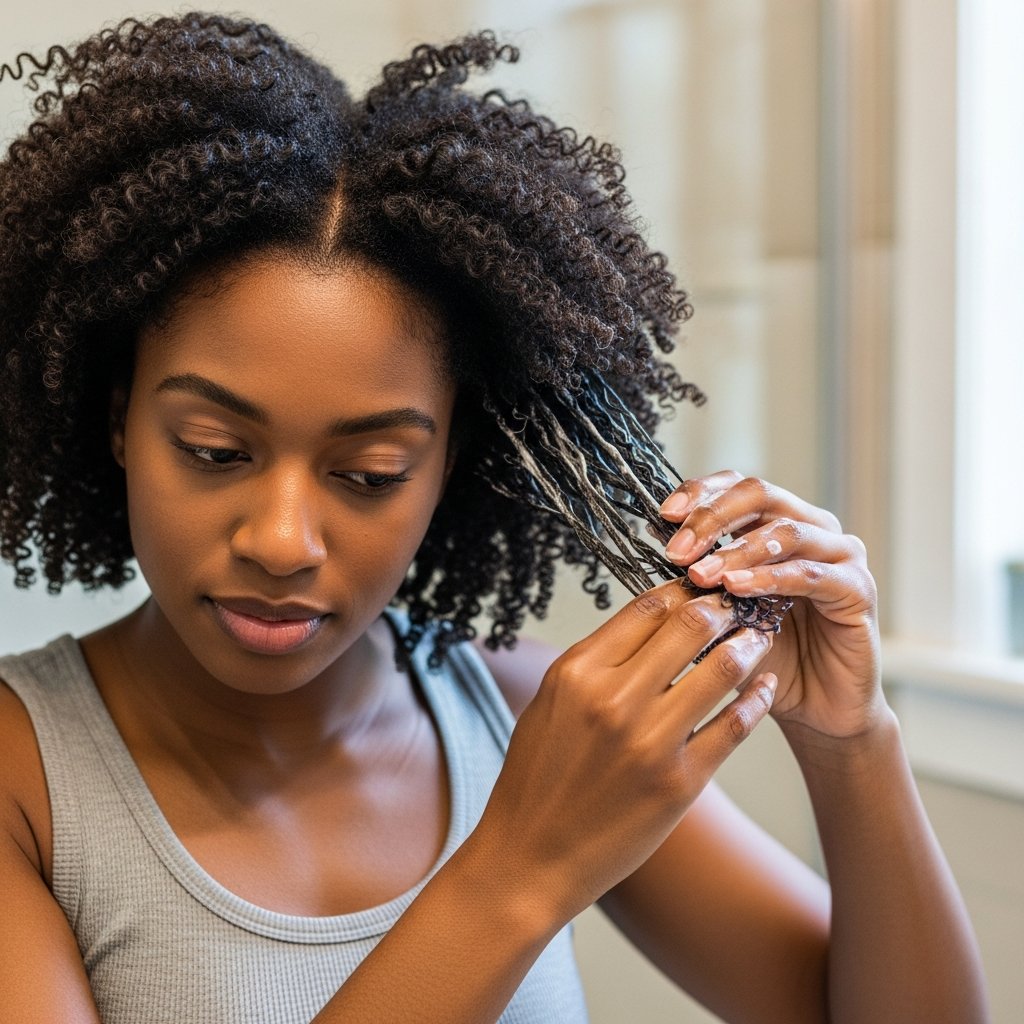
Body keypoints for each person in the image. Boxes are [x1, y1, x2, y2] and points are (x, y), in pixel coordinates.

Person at [0, 13, 988, 1024]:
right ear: (118, 418)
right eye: (216, 452)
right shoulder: (23, 779)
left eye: (371, 471)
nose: (282, 541)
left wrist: (851, 741)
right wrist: (522, 863)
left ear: (449, 464)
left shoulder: (519, 716)